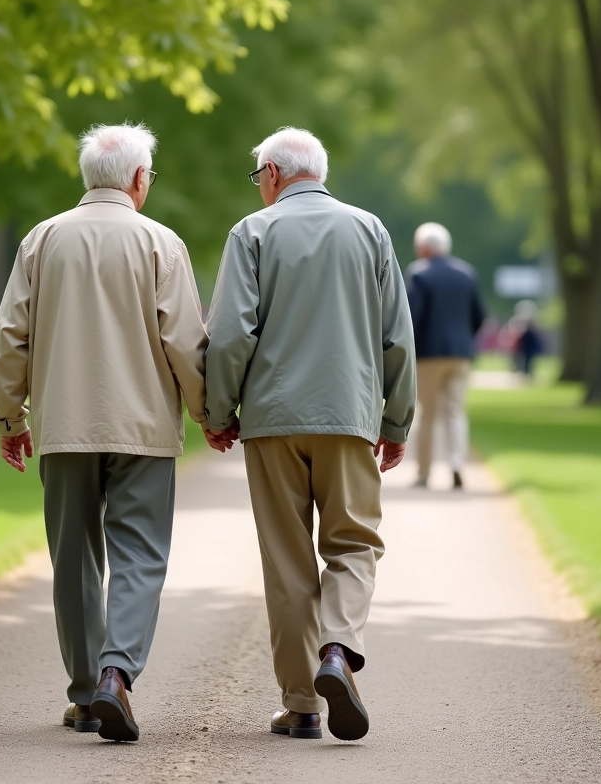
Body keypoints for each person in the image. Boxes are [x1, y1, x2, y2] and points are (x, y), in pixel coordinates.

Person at [0, 123, 228, 743]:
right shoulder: (160, 243)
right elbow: (183, 341)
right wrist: (208, 414)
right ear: (139, 180)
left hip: (65, 424)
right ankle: (116, 674)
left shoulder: (42, 240)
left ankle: (85, 693)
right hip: (142, 425)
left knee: (73, 560)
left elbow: (10, 337)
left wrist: (12, 417)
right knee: (139, 554)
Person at [205, 127, 416, 742]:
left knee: (288, 562)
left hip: (271, 420)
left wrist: (219, 412)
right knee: (353, 544)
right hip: (349, 417)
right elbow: (397, 336)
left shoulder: (253, 232)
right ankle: (338, 650)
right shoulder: (370, 230)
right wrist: (396, 420)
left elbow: (229, 335)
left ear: (271, 172)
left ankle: (301, 706)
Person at [406, 222, 485, 490]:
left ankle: (424, 472)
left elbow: (411, 319)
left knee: (427, 413)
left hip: (429, 354)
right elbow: (479, 316)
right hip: (460, 355)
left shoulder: (419, 274)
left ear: (424, 248)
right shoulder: (466, 274)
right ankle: (457, 464)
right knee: (455, 411)